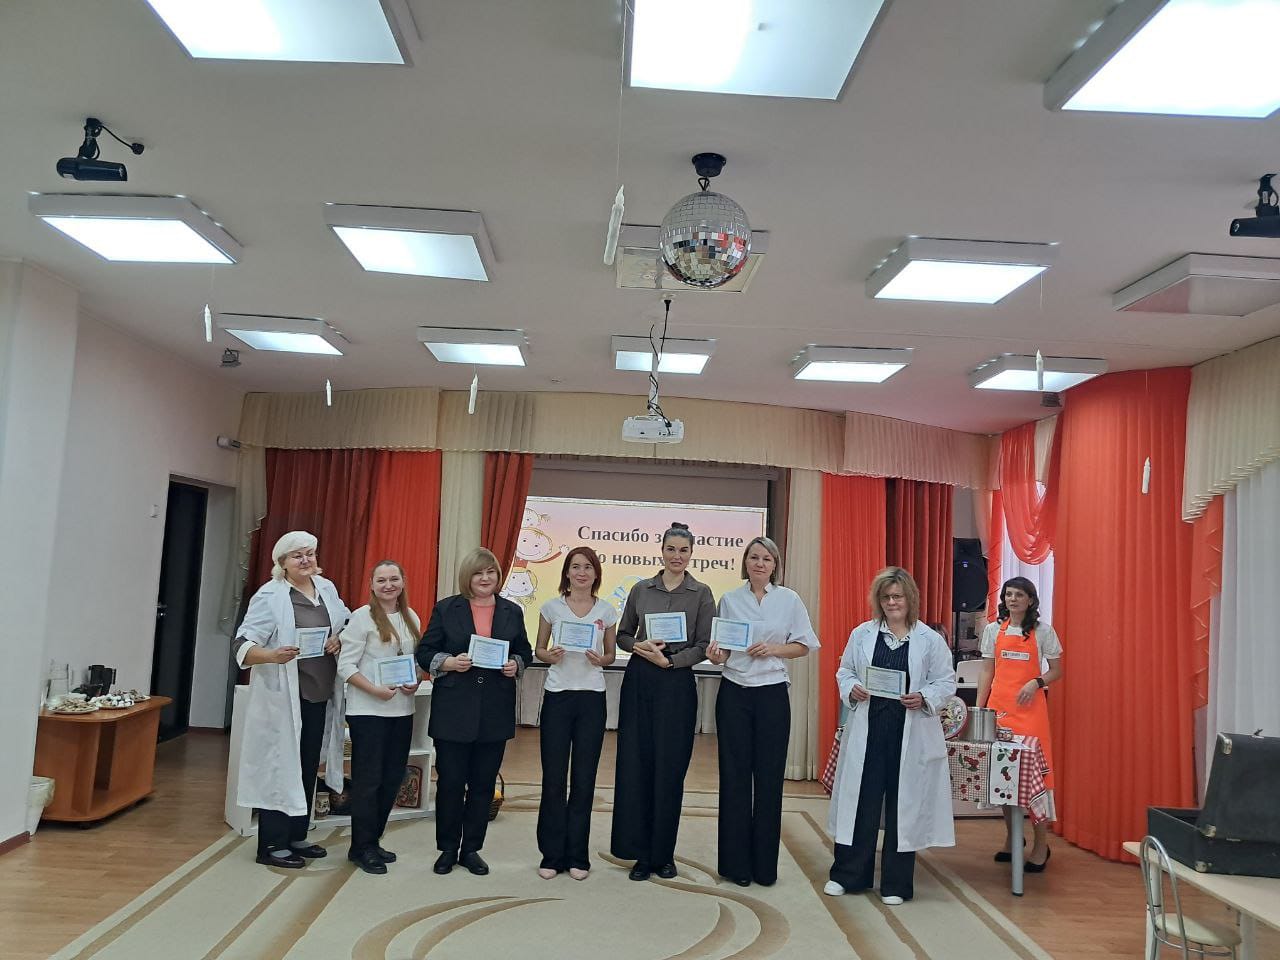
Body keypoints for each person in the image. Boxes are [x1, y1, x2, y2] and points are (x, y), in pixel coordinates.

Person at [825, 567, 956, 905]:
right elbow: (845, 670)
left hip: (908, 736)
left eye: (897, 596)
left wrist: (924, 697)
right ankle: (848, 875)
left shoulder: (929, 640)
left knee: (903, 808)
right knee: (861, 805)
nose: (892, 602)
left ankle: (896, 884)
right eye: (885, 597)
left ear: (909, 598)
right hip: (869, 734)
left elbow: (945, 681)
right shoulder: (862, 634)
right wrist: (852, 688)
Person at [233, 531, 350, 869]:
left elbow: (346, 621)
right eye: (297, 555)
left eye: (310, 553)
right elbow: (242, 644)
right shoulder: (270, 596)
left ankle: (297, 835)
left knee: (307, 764)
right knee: (279, 767)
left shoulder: (326, 589)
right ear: (282, 562)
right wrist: (272, 655)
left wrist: (339, 638)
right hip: (284, 700)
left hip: (318, 695)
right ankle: (272, 844)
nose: (306, 560)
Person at [707, 536, 818, 887]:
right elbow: (723, 650)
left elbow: (804, 646)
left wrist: (773, 649)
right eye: (754, 557)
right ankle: (735, 866)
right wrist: (715, 656)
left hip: (771, 694)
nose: (759, 563)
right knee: (734, 778)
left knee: (769, 780)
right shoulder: (729, 599)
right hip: (734, 693)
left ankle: (764, 868)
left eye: (766, 559)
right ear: (745, 562)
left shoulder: (789, 599)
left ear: (775, 565)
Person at [416, 547, 532, 877]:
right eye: (479, 573)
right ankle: (447, 848)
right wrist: (448, 663)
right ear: (467, 577)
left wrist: (516, 664)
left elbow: (524, 651)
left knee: (482, 785)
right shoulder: (446, 608)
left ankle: (471, 850)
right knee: (451, 783)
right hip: (453, 710)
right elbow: (425, 651)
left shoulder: (512, 611)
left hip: (494, 710)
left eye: (491, 572)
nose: (485, 578)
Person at [610, 521, 715, 882]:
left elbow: (704, 644)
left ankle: (664, 855)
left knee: (670, 769)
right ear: (662, 551)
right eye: (671, 549)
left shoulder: (702, 593)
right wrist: (637, 646)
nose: (676, 556)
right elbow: (623, 634)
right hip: (640, 681)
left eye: (683, 550)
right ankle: (640, 855)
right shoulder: (641, 589)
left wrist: (671, 662)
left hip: (676, 682)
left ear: (691, 554)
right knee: (637, 765)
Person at [533, 546, 617, 880]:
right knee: (553, 779)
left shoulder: (607, 610)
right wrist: (549, 655)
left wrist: (601, 660)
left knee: (584, 779)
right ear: (567, 572)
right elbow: (539, 649)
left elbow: (611, 655)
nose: (582, 573)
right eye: (576, 567)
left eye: (588, 567)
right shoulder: (551, 607)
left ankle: (578, 856)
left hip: (592, 699)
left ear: (596, 574)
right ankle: (552, 855)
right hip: (558, 696)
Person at [337, 560, 422, 875]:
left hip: (402, 710)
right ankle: (361, 847)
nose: (389, 585)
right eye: (382, 580)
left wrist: (415, 681)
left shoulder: (411, 616)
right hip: (368, 712)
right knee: (368, 781)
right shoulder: (361, 618)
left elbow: (413, 662)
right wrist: (374, 690)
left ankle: (373, 841)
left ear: (403, 582)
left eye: (394, 579)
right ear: (372, 585)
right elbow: (345, 666)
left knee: (391, 779)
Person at [977, 576, 1063, 871]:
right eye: (1008, 594)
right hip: (1000, 710)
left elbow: (1056, 670)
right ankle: (1013, 837)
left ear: (1031, 600)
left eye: (1019, 595)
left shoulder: (1043, 631)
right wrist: (980, 707)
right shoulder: (993, 630)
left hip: (1030, 713)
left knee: (1037, 776)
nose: (1012, 599)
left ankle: (1041, 844)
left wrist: (1036, 682)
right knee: (1004, 776)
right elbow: (986, 670)